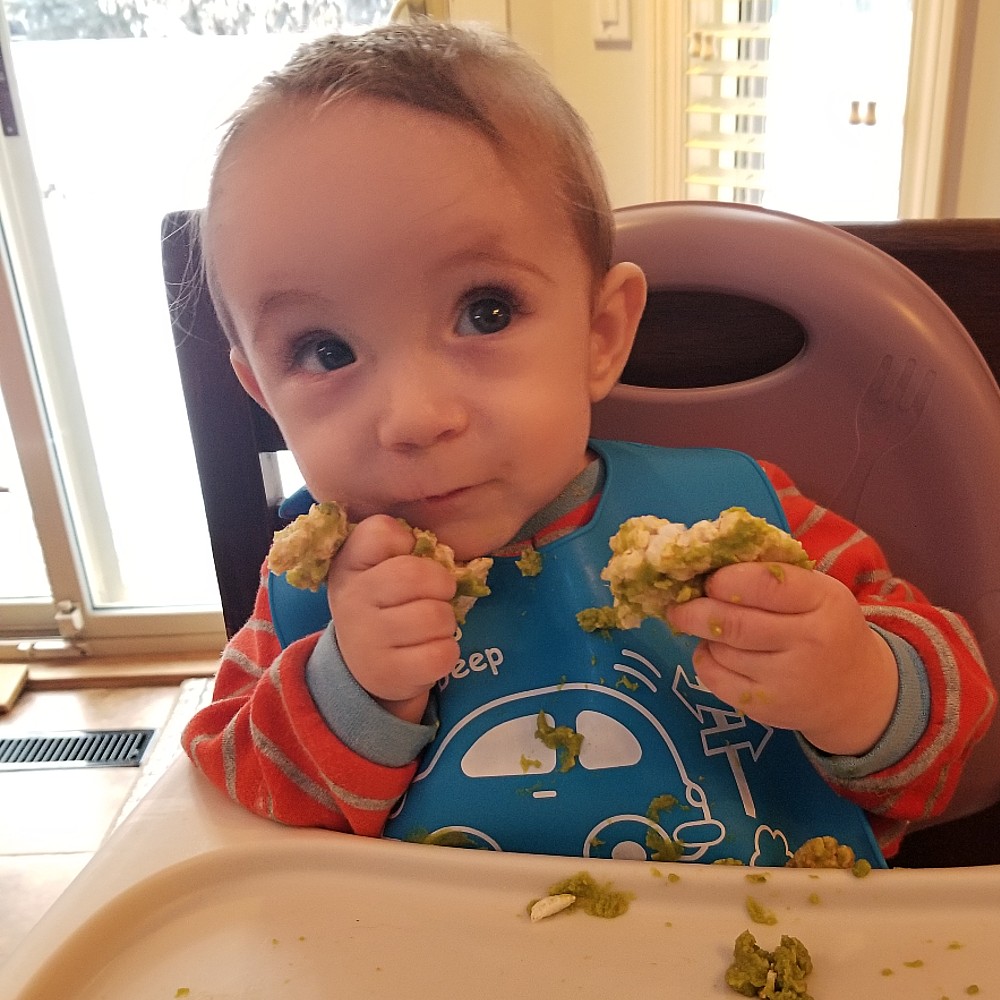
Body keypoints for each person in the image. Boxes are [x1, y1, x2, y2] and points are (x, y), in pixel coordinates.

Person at [181, 19, 995, 865]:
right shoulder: (309, 593)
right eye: (325, 351)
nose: (415, 417)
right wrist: (353, 688)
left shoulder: (748, 518)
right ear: (263, 395)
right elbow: (243, 793)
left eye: (484, 311)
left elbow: (963, 735)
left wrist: (857, 687)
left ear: (601, 333)